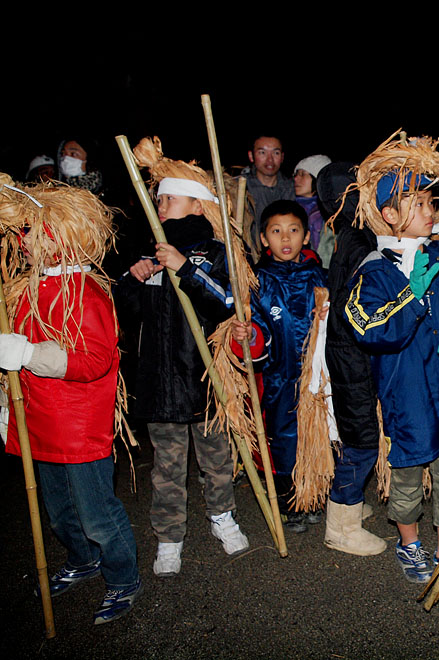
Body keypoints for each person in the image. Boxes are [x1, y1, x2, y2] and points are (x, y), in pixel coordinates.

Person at [345, 145, 439, 596]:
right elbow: (369, 328)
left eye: (431, 202)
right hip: (406, 390)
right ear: (389, 214)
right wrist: (412, 293)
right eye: (419, 204)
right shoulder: (373, 271)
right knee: (407, 475)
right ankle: (410, 544)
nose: (431, 211)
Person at [0, 180, 141, 625]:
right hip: (38, 420)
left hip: (78, 427)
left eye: (34, 232)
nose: (24, 242)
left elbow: (97, 359)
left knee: (97, 513)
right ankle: (82, 560)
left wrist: (28, 354)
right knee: (58, 511)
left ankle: (123, 578)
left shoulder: (86, 293)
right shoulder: (23, 289)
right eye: (23, 234)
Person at [116, 138, 248, 577]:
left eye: (170, 196)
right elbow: (126, 312)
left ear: (197, 205)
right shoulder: (147, 253)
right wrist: (133, 280)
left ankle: (222, 516)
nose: (161, 201)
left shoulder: (213, 251)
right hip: (160, 379)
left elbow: (226, 301)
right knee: (167, 468)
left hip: (205, 378)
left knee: (217, 459)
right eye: (159, 197)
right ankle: (169, 537)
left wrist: (185, 268)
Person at [231, 200, 326, 533]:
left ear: (306, 236)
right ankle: (291, 502)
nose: (285, 238)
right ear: (263, 238)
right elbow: (254, 331)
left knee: (317, 435)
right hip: (277, 378)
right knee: (283, 440)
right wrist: (248, 334)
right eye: (276, 231)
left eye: (294, 230)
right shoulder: (257, 281)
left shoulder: (319, 274)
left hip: (315, 378)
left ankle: (315, 496)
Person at [317, 162, 386, 556]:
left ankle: (349, 507)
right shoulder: (358, 242)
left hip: (350, 351)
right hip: (351, 356)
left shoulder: (351, 235)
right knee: (359, 442)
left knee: (358, 435)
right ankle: (341, 526)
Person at [244, 135, 295, 251]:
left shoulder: (293, 188)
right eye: (262, 153)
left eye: (276, 153)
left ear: (282, 157)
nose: (270, 159)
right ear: (251, 156)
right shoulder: (239, 189)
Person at [293, 154, 333, 262]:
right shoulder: (289, 210)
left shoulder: (331, 211)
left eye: (303, 174)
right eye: (296, 174)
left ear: (317, 179)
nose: (296, 178)